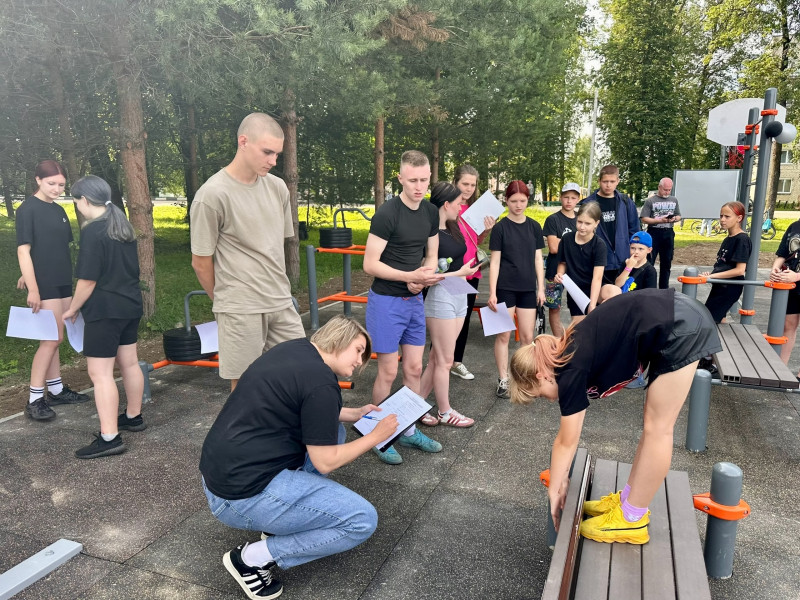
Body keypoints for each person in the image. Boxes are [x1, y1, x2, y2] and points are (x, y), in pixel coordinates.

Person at [200, 316, 399, 599]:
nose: (359, 361)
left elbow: (301, 403)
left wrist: (354, 413)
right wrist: (375, 437)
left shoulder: (294, 350)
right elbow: (325, 461)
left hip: (221, 476)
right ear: (339, 339)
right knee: (361, 520)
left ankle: (286, 518)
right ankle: (250, 559)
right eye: (358, 350)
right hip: (238, 498)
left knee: (335, 430)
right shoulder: (322, 384)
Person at [509, 288, 721, 544]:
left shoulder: (569, 369)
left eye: (541, 394)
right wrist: (561, 475)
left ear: (541, 375)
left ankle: (632, 519)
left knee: (659, 429)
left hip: (681, 326)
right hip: (675, 316)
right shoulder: (568, 351)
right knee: (651, 425)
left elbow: (566, 441)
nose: (550, 400)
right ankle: (628, 501)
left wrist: (555, 490)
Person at [190, 113, 305, 392]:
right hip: (240, 307)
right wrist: (227, 301)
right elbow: (200, 263)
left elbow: (274, 247)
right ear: (243, 142)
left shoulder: (278, 188)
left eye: (277, 154)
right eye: (267, 152)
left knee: (301, 374)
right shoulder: (212, 195)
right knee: (246, 388)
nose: (273, 161)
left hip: (280, 301)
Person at [363, 150, 444, 465]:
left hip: (414, 300)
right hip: (386, 301)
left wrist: (422, 278)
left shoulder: (430, 212)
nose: (419, 186)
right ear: (400, 178)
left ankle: (407, 430)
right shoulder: (387, 214)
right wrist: (409, 277)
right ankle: (378, 435)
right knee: (388, 370)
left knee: (413, 369)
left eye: (424, 180)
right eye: (412, 180)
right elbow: (370, 264)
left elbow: (431, 254)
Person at [61, 176, 145, 459]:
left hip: (104, 310)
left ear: (84, 200)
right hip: (130, 305)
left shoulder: (93, 231)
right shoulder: (122, 227)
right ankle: (133, 416)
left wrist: (72, 308)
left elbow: (87, 281)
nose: (77, 206)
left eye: (76, 201)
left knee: (100, 374)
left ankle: (110, 437)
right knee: (129, 363)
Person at [16, 159, 89, 421]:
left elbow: (49, 248)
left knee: (57, 337)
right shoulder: (27, 210)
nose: (57, 189)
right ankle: (35, 399)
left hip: (62, 280)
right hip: (44, 284)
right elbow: (23, 250)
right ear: (37, 180)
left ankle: (56, 389)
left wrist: (25, 274)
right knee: (50, 339)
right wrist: (33, 288)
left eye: (61, 184)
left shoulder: (58, 210)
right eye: (51, 183)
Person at [418, 182, 480, 428]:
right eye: (457, 203)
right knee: (445, 360)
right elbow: (429, 274)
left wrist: (463, 273)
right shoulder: (430, 232)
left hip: (459, 290)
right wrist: (460, 273)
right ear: (446, 204)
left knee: (437, 357)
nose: (460, 207)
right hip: (442, 293)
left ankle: (417, 404)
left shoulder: (454, 226)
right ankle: (445, 411)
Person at [488, 180, 545, 399]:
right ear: (506, 201)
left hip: (528, 288)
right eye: (513, 201)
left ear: (528, 200)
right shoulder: (500, 228)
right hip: (505, 288)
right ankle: (503, 379)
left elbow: (538, 259)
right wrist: (492, 292)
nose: (518, 205)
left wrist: (541, 288)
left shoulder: (534, 226)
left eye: (522, 201)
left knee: (528, 337)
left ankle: (523, 378)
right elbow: (494, 262)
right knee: (503, 334)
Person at [450, 164, 495, 381]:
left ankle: (456, 361)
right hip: (452, 271)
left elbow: (477, 240)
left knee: (464, 318)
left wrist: (487, 229)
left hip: (471, 271)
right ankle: (439, 359)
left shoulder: (475, 209)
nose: (468, 189)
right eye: (464, 184)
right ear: (455, 182)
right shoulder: (447, 207)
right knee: (446, 319)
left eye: (472, 185)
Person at [581, 165, 639, 284]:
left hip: (623, 260)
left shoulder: (625, 202)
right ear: (599, 181)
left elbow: (634, 230)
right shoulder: (589, 203)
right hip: (597, 261)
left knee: (622, 294)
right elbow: (583, 232)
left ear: (618, 181)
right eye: (605, 181)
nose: (608, 185)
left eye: (612, 181)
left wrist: (634, 254)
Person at [554, 202, 607, 325]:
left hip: (595, 288)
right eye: (579, 222)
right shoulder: (566, 239)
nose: (582, 227)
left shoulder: (599, 245)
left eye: (587, 223)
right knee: (579, 328)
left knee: (614, 292)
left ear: (596, 223)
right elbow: (562, 263)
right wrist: (559, 274)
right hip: (575, 290)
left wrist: (592, 305)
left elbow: (597, 278)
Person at [700, 201, 751, 323]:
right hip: (721, 286)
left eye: (727, 216)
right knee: (718, 318)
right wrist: (711, 275)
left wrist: (712, 276)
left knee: (708, 320)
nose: (722, 220)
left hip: (729, 287)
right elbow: (724, 264)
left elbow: (740, 270)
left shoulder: (742, 239)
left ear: (739, 218)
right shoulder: (728, 239)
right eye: (721, 216)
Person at [542, 183, 579, 337]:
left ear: (578, 199)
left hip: (577, 270)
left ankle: (575, 339)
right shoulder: (553, 219)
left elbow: (587, 244)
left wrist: (562, 241)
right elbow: (553, 247)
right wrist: (575, 243)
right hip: (554, 270)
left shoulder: (581, 219)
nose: (569, 201)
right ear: (560, 197)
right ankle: (558, 341)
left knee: (578, 306)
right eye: (566, 197)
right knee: (554, 307)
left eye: (573, 198)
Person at [769, 220, 800, 375]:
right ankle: (781, 370)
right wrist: (775, 269)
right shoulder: (794, 226)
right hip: (791, 284)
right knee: (788, 326)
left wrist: (797, 276)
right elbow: (782, 253)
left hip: (794, 278)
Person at [640, 178, 681, 289]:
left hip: (668, 232)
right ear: (659, 187)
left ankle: (664, 288)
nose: (667, 192)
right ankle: (649, 287)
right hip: (654, 232)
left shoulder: (674, 200)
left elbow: (678, 215)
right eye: (665, 190)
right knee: (650, 260)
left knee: (666, 261)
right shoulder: (650, 201)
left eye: (669, 190)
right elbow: (644, 218)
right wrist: (659, 220)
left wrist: (674, 219)